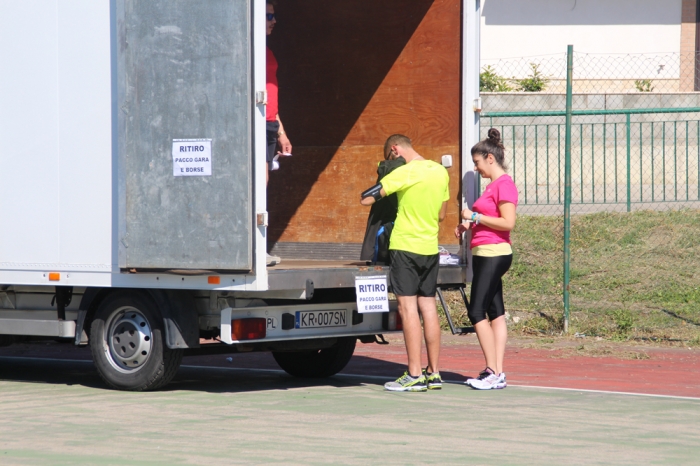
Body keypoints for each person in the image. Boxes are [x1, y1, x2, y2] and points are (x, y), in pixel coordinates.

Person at [361, 134, 449, 392]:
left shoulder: (404, 173)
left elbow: (365, 198)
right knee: (429, 308)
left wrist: (387, 179)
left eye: (390, 157)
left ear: (395, 150)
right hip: (430, 248)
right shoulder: (439, 171)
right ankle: (433, 373)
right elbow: (442, 215)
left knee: (408, 309)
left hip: (405, 247)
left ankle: (413, 374)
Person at [454, 128, 518, 390]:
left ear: (490, 159)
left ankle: (492, 371)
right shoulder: (494, 185)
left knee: (476, 310)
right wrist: (471, 226)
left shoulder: (504, 185)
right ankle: (497, 372)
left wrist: (474, 217)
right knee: (495, 312)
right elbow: (492, 221)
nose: (476, 168)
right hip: (485, 253)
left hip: (494, 254)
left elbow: (507, 222)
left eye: (477, 163)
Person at [265, 0, 292, 265]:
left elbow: (271, 98)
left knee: (265, 184)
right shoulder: (251, 53)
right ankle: (254, 248)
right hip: (258, 125)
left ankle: (258, 247)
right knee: (259, 185)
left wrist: (281, 132)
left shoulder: (268, 52)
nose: (274, 21)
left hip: (270, 124)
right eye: (269, 16)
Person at [359, 149, 406, 264]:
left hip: (387, 229)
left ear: (394, 150)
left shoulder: (389, 169)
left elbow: (365, 199)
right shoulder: (421, 171)